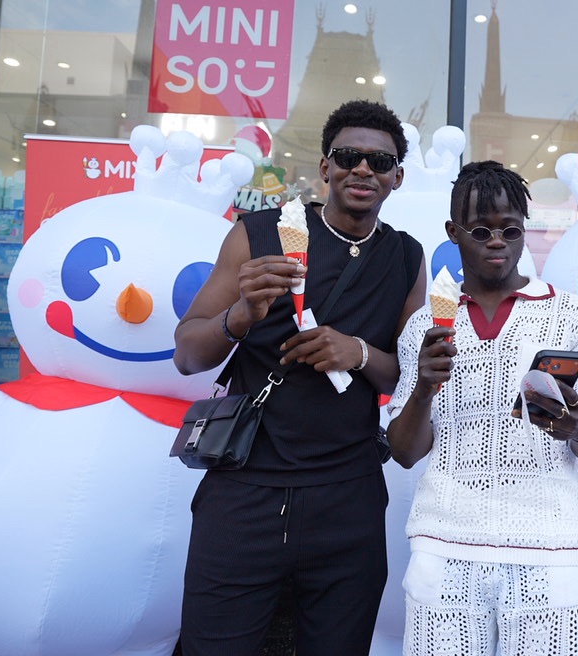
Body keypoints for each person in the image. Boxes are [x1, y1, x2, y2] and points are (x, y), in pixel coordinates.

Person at [174, 100, 426, 655]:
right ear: (325, 167)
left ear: (397, 178)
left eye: (379, 162)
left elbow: (408, 374)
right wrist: (240, 315)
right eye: (350, 157)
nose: (364, 169)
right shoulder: (259, 234)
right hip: (244, 489)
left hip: (348, 494)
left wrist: (357, 352)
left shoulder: (406, 257)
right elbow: (188, 354)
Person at [386, 160, 578, 656]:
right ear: (453, 233)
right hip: (445, 546)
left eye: (510, 229)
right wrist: (425, 386)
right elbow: (405, 452)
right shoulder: (425, 326)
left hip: (554, 550)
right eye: (480, 229)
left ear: (524, 232)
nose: (497, 240)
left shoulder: (572, 314)